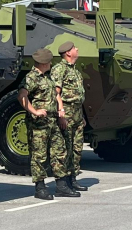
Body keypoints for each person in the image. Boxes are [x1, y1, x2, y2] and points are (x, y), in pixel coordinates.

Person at [19, 48, 76, 199]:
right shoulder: (31, 78)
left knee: (59, 151)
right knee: (39, 155)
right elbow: (22, 96)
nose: (51, 63)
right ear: (44, 63)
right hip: (39, 124)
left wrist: (61, 111)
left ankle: (61, 185)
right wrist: (34, 111)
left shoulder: (48, 77)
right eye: (49, 61)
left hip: (53, 120)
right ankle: (40, 187)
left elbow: (56, 94)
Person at [51, 41, 86, 191]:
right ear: (68, 53)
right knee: (64, 148)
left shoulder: (75, 71)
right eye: (74, 48)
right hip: (66, 113)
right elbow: (55, 93)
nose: (77, 49)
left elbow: (79, 96)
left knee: (76, 148)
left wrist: (82, 116)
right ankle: (62, 182)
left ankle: (72, 178)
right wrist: (61, 114)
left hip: (77, 113)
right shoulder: (59, 69)